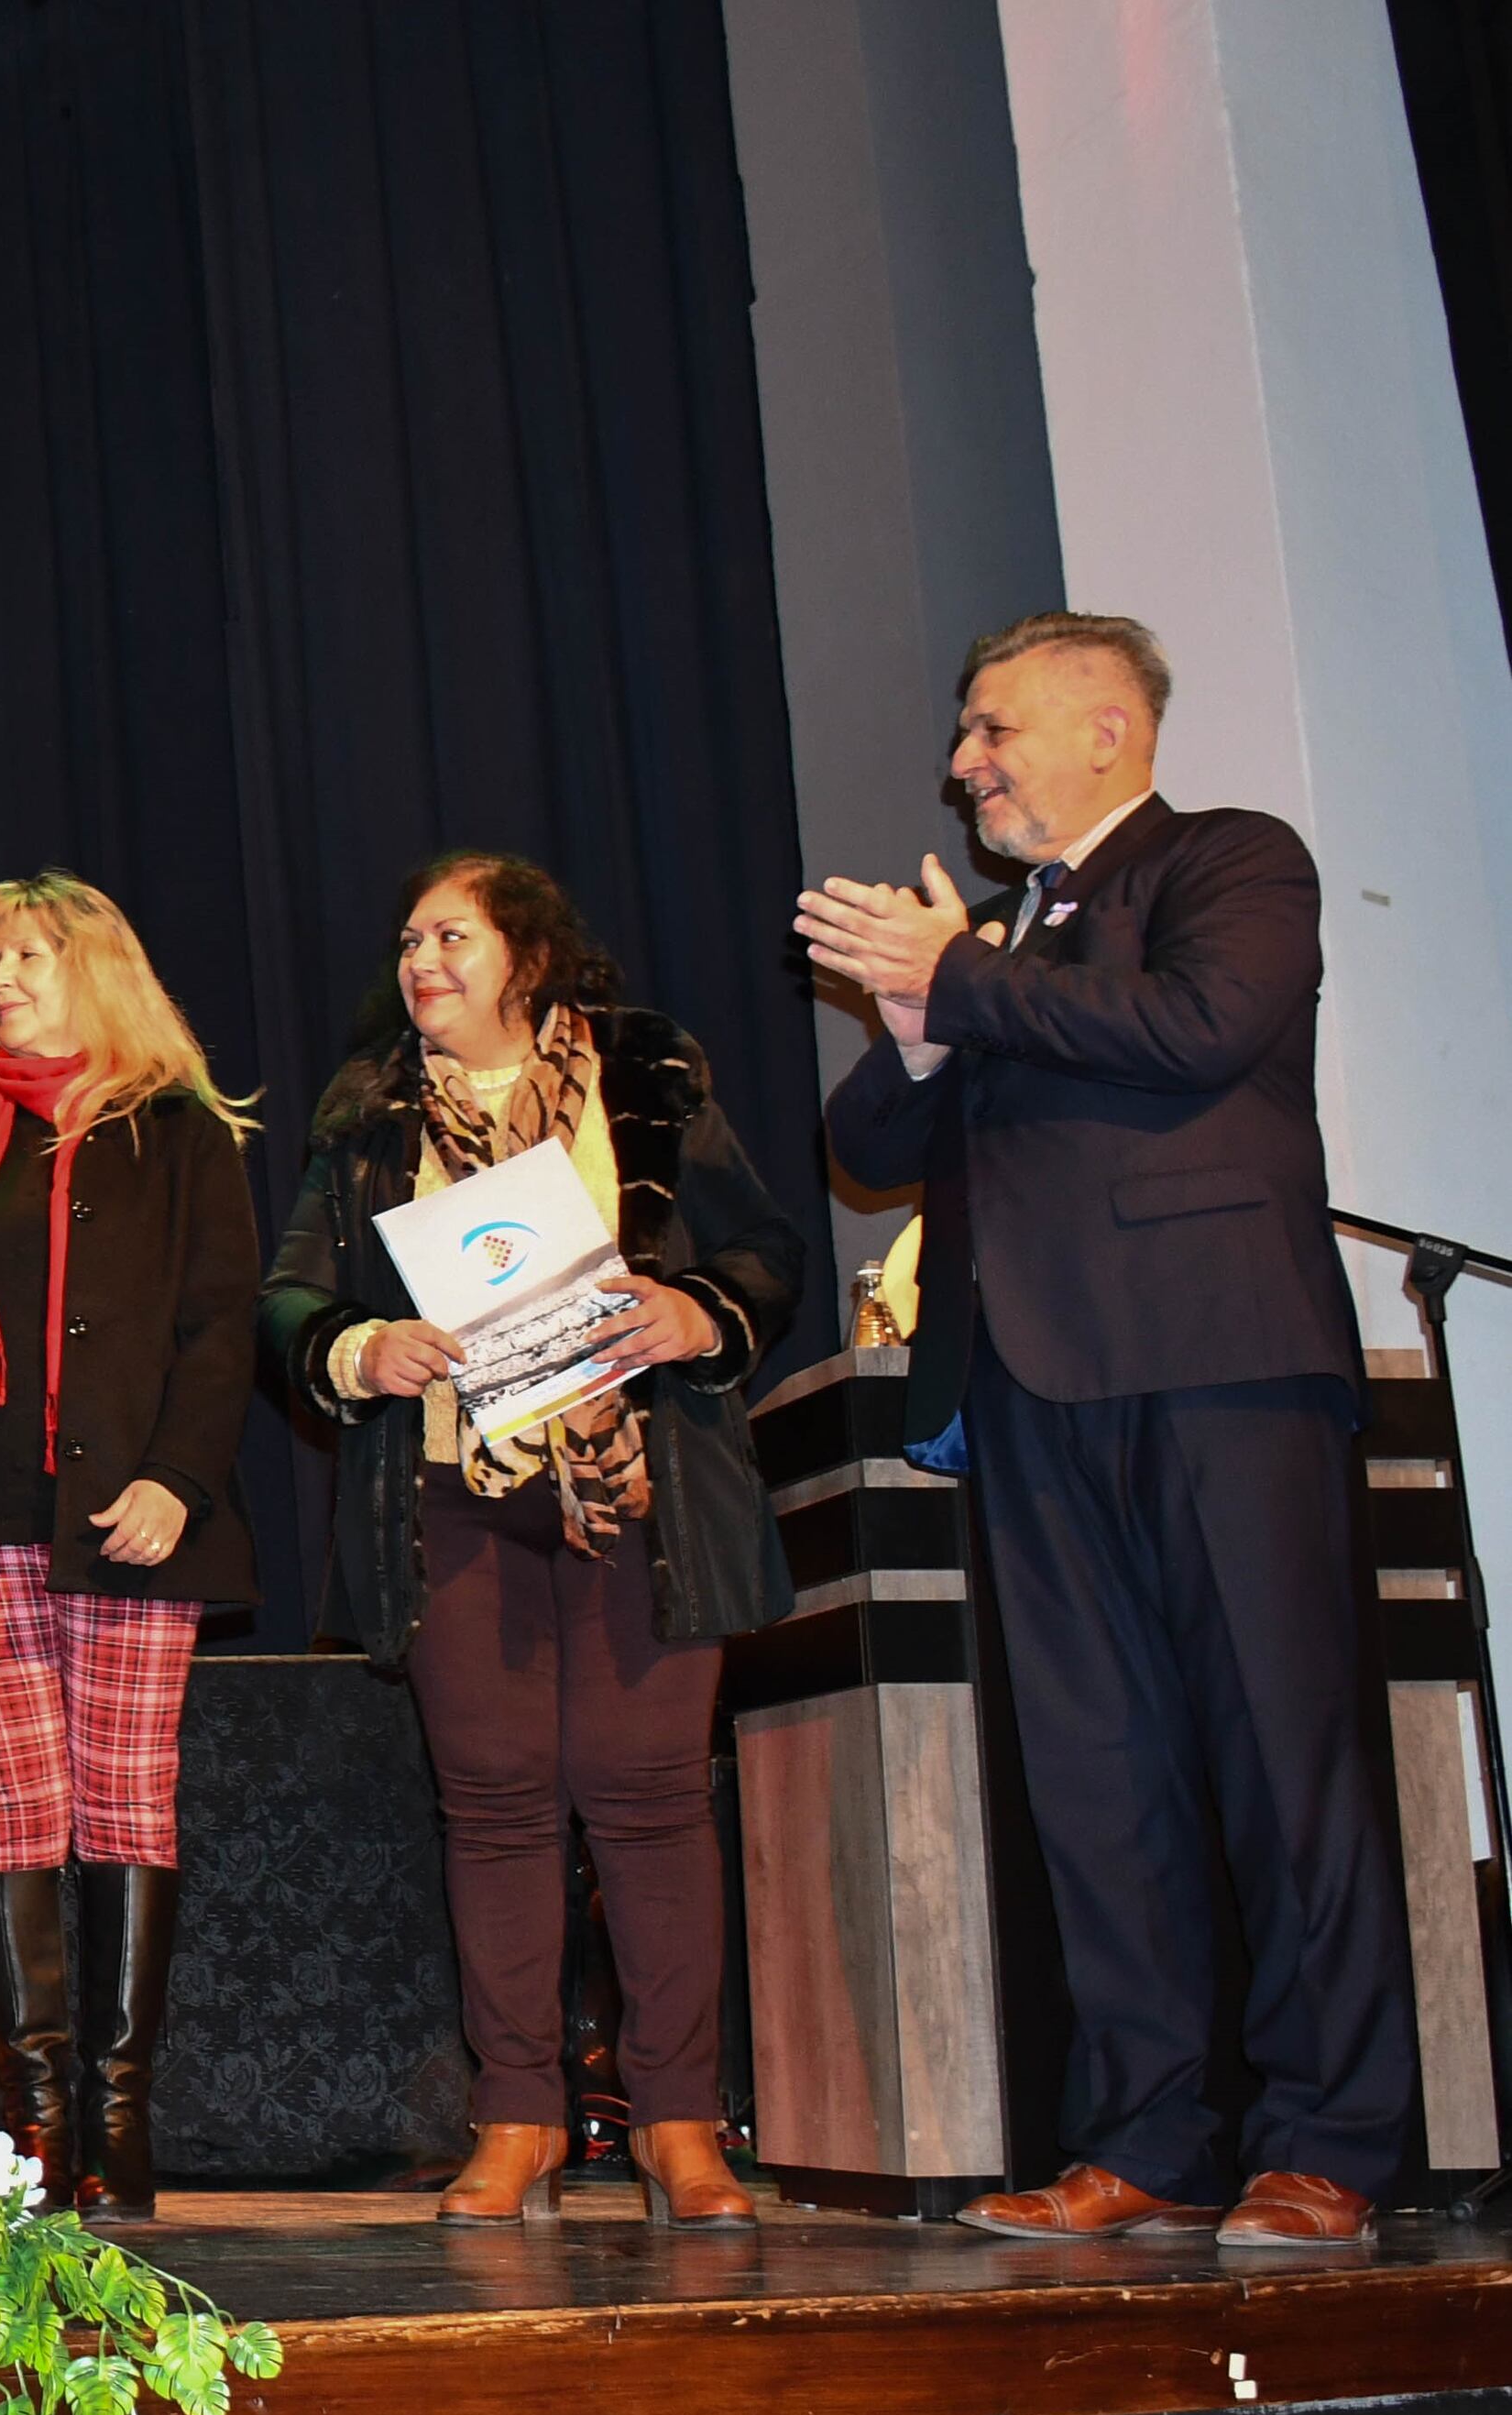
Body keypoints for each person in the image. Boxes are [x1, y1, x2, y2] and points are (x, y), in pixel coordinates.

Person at [802, 612, 1416, 2251]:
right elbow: (864, 1134)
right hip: (1033, 1385)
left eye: (991, 729)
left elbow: (1203, 1029)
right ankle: (1147, 2134)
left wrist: (971, 984)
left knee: (1287, 1761)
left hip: (1221, 1369)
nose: (961, 765)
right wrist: (926, 1026)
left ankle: (1331, 2139)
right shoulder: (1002, 942)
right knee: (1099, 1776)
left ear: (1106, 727)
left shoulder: (1234, 862)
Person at [262, 854, 796, 2231]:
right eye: (406, 937)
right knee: (493, 1805)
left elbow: (764, 1253)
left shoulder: (650, 1085)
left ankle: (681, 2119)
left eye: (449, 934)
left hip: (640, 1487)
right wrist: (361, 1344)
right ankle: (519, 2119)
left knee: (651, 1796)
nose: (418, 958)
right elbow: (291, 1297)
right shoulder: (369, 1111)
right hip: (451, 1493)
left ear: (530, 956)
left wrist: (692, 1316)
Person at [0, 875, 259, 2221]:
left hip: (129, 1522)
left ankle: (121, 2124)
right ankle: (38, 2118)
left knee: (127, 1794)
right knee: (13, 1801)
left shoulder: (180, 1134)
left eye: (27, 956)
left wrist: (179, 1478)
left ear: (99, 971)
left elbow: (220, 1324)